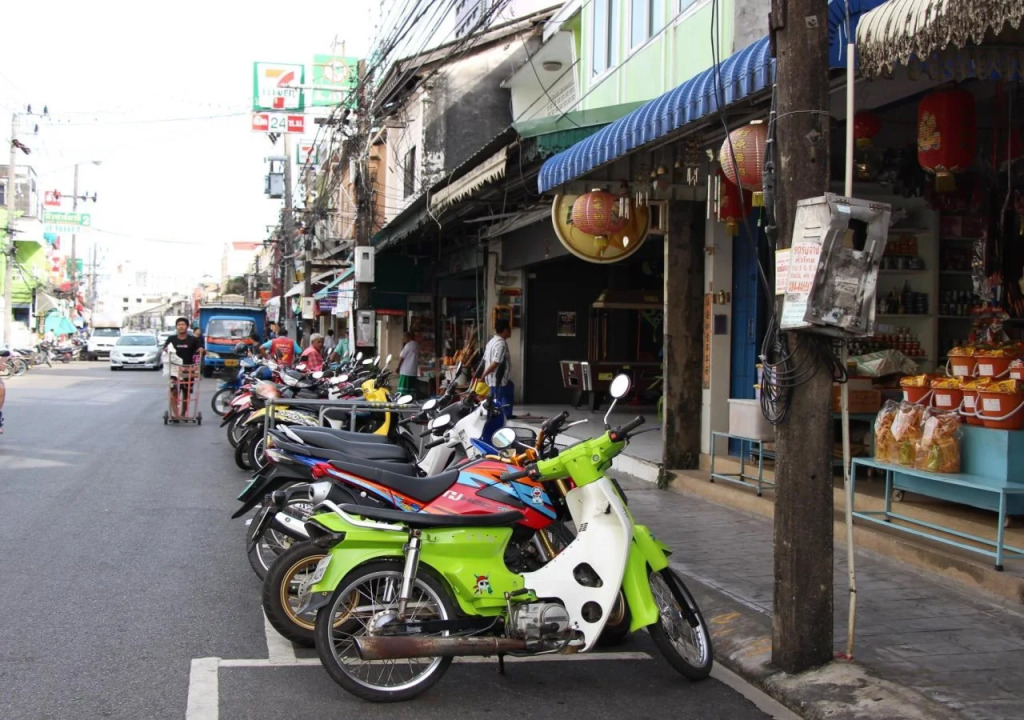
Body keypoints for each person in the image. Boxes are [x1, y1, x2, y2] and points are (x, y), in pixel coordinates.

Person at [162, 316, 204, 419]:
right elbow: (165, 349)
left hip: (188, 369)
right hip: (174, 369)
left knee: (186, 392)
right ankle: (176, 415)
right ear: (176, 327)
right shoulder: (171, 339)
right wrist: (166, 349)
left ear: (187, 326)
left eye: (183, 325)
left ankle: (183, 414)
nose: (181, 326)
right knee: (173, 391)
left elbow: (201, 349)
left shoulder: (193, 339)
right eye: (179, 325)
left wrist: (201, 350)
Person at [475, 320, 513, 420]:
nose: (510, 332)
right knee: (497, 401)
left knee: (509, 388)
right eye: (509, 329)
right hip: (498, 380)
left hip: (497, 379)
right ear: (505, 330)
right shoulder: (500, 344)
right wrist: (483, 376)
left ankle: (506, 414)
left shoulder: (491, 342)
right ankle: (499, 417)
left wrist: (480, 374)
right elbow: (495, 363)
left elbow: (484, 360)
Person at [398, 331, 419, 396]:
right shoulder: (416, 345)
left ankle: (403, 398)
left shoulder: (408, 345)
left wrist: (398, 367)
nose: (402, 339)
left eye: (403, 337)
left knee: (403, 390)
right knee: (411, 388)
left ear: (408, 337)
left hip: (406, 371)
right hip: (413, 370)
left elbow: (402, 357)